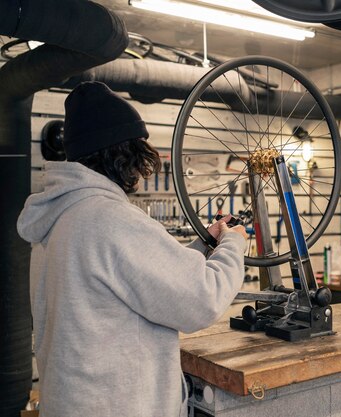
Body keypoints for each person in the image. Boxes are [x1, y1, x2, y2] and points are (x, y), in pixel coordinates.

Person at [17, 81, 247, 417]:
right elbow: (202, 299)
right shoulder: (110, 220)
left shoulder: (59, 220)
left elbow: (129, 280)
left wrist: (204, 245)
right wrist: (234, 244)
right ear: (121, 154)